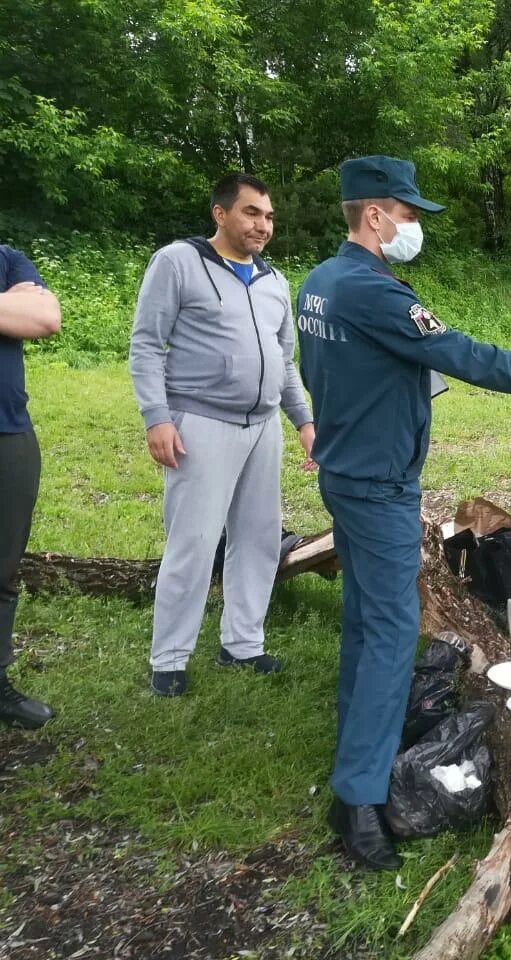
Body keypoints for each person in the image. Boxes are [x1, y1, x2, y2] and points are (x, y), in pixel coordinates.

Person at [296, 155, 511, 871]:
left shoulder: (319, 282)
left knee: (366, 624)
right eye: (406, 214)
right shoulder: (373, 291)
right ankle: (358, 798)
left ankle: (356, 756)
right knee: (390, 632)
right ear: (374, 215)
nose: (413, 226)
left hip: (347, 469)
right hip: (377, 483)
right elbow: (459, 352)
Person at [129, 173, 315, 697]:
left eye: (270, 216)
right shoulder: (178, 263)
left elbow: (285, 363)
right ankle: (168, 659)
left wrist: (303, 421)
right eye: (252, 213)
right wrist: (156, 418)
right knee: (193, 541)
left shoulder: (274, 281)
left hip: (261, 428)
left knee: (257, 539)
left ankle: (242, 645)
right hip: (200, 423)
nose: (263, 225)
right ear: (220, 213)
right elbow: (146, 344)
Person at [0, 245, 61, 728]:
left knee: (2, 566)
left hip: (9, 433)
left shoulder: (8, 258)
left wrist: (24, 304)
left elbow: (44, 317)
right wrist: (8, 305)